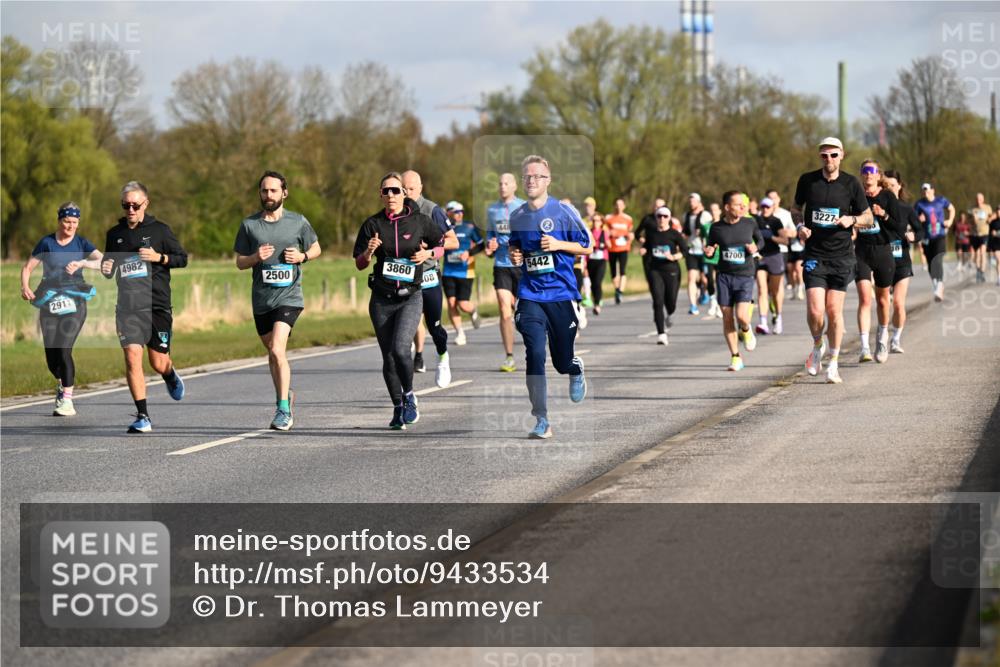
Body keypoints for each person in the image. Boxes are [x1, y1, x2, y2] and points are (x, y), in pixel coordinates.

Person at [508, 155, 590, 439]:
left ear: (548, 180)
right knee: (535, 354)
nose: (532, 181)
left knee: (561, 362)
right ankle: (541, 419)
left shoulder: (564, 212)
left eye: (537, 176)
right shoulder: (517, 216)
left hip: (561, 294)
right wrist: (515, 255)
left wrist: (558, 244)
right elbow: (515, 249)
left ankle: (575, 368)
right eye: (527, 177)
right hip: (530, 294)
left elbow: (587, 246)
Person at [354, 172, 443, 429]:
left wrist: (428, 252)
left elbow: (442, 244)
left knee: (400, 349)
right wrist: (369, 252)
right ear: (381, 195)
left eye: (395, 190)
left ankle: (410, 396)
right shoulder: (372, 225)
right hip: (381, 300)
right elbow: (359, 264)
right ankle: (397, 408)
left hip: (410, 297)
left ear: (404, 193)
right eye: (386, 191)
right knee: (388, 357)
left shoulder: (420, 221)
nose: (391, 195)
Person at [234, 171, 321, 431]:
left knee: (276, 349)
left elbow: (317, 248)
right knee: (272, 353)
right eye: (264, 191)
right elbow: (240, 262)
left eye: (273, 191)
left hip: (289, 297)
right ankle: (286, 394)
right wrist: (255, 257)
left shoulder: (298, 222)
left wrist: (303, 257)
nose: (268, 195)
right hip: (262, 300)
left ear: (284, 192)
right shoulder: (249, 225)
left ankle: (283, 409)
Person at [101, 181, 188, 432]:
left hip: (157, 305)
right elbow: (110, 266)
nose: (130, 209)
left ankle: (169, 374)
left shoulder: (160, 231)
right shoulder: (114, 234)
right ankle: (143, 416)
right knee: (131, 357)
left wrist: (159, 257)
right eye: (125, 205)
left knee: (158, 363)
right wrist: (107, 268)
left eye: (134, 205)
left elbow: (182, 258)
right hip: (128, 307)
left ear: (145, 204)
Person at [794, 137, 873, 384]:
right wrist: (800, 226)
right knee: (816, 310)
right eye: (824, 155)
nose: (829, 159)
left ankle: (834, 363)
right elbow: (795, 207)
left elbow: (868, 217)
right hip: (815, 254)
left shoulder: (851, 184)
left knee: (833, 311)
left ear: (842, 155)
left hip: (841, 256)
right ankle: (817, 346)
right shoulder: (808, 180)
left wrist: (853, 220)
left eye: (833, 155)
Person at [20, 202, 103, 416]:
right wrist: (25, 286)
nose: (71, 226)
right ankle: (60, 383)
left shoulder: (82, 243)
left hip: (74, 302)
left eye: (75, 222)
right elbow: (28, 267)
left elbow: (104, 261)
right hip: (49, 301)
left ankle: (67, 400)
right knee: (51, 355)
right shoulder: (46, 243)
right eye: (67, 221)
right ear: (59, 220)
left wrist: (83, 263)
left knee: (64, 349)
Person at [401, 170, 456, 385]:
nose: (407, 193)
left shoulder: (432, 210)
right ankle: (406, 384)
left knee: (434, 327)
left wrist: (429, 251)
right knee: (405, 326)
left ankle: (443, 356)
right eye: (403, 189)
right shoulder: (396, 211)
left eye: (411, 189)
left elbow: (452, 242)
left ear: (420, 188)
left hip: (429, 275)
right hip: (405, 277)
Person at [704, 191, 763, 371]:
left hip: (745, 274)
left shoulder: (749, 223)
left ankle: (746, 329)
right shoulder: (716, 228)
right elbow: (711, 246)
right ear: (727, 207)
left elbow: (761, 242)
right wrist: (709, 251)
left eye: (743, 204)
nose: (743, 207)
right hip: (724, 275)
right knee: (727, 317)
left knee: (742, 317)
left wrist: (755, 247)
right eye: (738, 205)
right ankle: (736, 357)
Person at [854, 159, 903, 364]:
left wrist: (883, 215)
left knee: (883, 300)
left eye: (871, 171)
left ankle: (882, 337)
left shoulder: (887, 196)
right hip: (862, 252)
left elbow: (898, 227)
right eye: (864, 171)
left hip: (883, 251)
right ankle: (864, 347)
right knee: (865, 298)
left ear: (878, 175)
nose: (868, 174)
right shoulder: (855, 195)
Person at [485, 173, 526, 373]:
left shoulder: (523, 206)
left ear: (514, 186)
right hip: (501, 264)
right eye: (500, 183)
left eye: (506, 183)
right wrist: (489, 244)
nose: (502, 186)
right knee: (504, 309)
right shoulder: (492, 210)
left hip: (520, 263)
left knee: (523, 309)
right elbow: (490, 235)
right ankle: (509, 356)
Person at [882, 169, 922, 353]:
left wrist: (914, 236)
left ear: (899, 186)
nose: (889, 188)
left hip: (902, 261)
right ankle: (882, 335)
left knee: (898, 303)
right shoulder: (877, 207)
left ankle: (896, 339)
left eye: (892, 185)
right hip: (881, 260)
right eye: (885, 185)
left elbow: (921, 231)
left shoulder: (906, 208)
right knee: (883, 303)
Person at [642, 206, 687, 345]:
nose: (662, 219)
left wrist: (674, 257)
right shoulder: (651, 233)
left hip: (671, 270)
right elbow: (648, 247)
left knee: (671, 301)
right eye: (659, 216)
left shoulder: (674, 234)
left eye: (665, 216)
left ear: (669, 218)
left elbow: (685, 251)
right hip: (655, 270)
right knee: (657, 301)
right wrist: (644, 250)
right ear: (656, 218)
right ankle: (661, 333)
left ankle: (671, 313)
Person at [441, 201, 483, 344]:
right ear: (448, 213)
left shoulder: (469, 227)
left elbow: (481, 244)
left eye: (461, 212)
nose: (459, 214)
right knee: (451, 303)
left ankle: (473, 311)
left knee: (463, 304)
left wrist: (469, 252)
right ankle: (460, 333)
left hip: (466, 271)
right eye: (456, 212)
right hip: (448, 271)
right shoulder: (443, 228)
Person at [754, 197, 794, 335]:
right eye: (763, 207)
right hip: (760, 257)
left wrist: (771, 237)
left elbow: (785, 241)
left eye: (768, 207)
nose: (765, 209)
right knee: (761, 290)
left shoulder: (776, 222)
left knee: (775, 291)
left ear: (772, 208)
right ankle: (763, 322)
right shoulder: (755, 221)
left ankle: (778, 317)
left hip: (774, 257)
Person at [912, 182, 955, 302]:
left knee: (938, 258)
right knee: (931, 263)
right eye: (923, 190)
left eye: (927, 189)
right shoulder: (919, 204)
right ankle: (936, 284)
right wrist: (918, 220)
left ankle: (940, 284)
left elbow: (952, 209)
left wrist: (950, 221)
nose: (926, 192)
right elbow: (913, 218)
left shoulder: (941, 200)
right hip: (926, 237)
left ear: (933, 190)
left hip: (940, 235)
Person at [682, 193, 713, 315]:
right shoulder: (686, 215)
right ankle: (693, 305)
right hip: (692, 250)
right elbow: (685, 232)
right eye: (690, 202)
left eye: (693, 201)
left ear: (699, 202)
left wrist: (703, 232)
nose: (691, 204)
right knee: (691, 278)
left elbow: (711, 231)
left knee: (705, 279)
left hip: (704, 251)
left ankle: (704, 291)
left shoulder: (706, 215)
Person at [604, 198, 634, 304]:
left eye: (621, 204)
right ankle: (616, 289)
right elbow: (605, 231)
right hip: (612, 247)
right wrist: (609, 235)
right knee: (613, 271)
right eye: (617, 204)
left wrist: (630, 237)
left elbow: (631, 233)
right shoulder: (608, 218)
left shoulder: (628, 219)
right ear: (614, 206)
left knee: (622, 269)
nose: (618, 206)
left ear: (624, 206)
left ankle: (620, 291)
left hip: (624, 247)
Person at [586, 212, 609, 315]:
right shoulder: (588, 232)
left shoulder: (605, 232)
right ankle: (596, 300)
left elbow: (609, 245)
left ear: (601, 222)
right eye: (594, 220)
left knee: (597, 282)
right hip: (591, 260)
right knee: (592, 283)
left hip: (601, 260)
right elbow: (585, 248)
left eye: (598, 220)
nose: (596, 222)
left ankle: (597, 304)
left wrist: (606, 244)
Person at [970, 193, 994, 283]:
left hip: (984, 233)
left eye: (980, 199)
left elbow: (992, 215)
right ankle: (978, 271)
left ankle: (982, 272)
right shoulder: (973, 209)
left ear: (983, 199)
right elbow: (970, 222)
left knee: (982, 252)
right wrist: (973, 219)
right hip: (975, 234)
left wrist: (990, 219)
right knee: (977, 254)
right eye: (977, 199)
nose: (978, 201)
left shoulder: (987, 207)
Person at [988, 206, 1000, 286]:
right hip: (996, 243)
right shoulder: (993, 222)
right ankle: (999, 278)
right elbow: (990, 233)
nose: (999, 212)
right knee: (999, 260)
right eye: (998, 211)